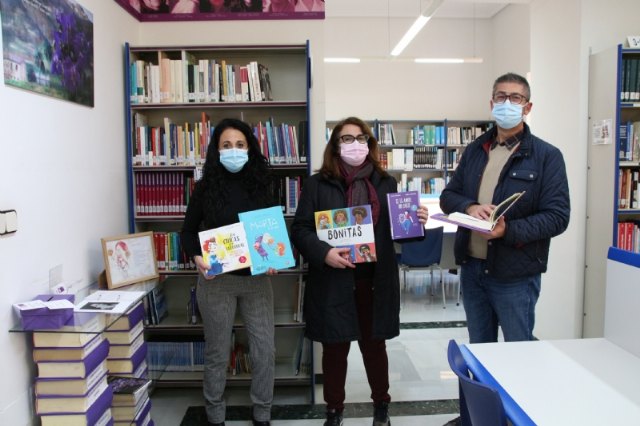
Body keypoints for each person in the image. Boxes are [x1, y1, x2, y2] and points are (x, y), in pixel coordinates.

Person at [290, 117, 429, 426]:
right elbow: (300, 229)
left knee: (374, 346)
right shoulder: (316, 184)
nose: (355, 144)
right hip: (333, 280)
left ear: (370, 142)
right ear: (336, 145)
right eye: (347, 138)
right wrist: (324, 253)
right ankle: (333, 411)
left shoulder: (385, 182)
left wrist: (416, 221)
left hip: (373, 280)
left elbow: (399, 232)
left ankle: (381, 406)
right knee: (334, 349)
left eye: (360, 137)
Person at [439, 72, 570, 344]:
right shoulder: (475, 149)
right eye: (501, 97)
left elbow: (557, 217)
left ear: (527, 107)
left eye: (516, 97)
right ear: (491, 103)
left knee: (518, 350)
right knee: (481, 350)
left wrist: (507, 230)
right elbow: (448, 196)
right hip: (473, 269)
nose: (507, 102)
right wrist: (470, 206)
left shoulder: (547, 156)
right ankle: (484, 390)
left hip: (515, 274)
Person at [181, 118, 277, 426]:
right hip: (217, 281)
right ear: (216, 150)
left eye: (239, 145)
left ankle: (262, 413)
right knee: (217, 352)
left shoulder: (263, 182)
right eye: (226, 146)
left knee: (265, 350)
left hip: (257, 280)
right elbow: (187, 233)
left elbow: (270, 230)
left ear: (249, 147)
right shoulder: (205, 187)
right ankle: (215, 415)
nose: (233, 151)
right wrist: (197, 256)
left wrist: (274, 255)